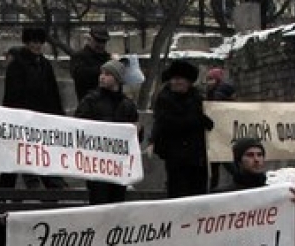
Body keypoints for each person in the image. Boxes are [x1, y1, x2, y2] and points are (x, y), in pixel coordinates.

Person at [0, 27, 67, 190]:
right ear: (27, 43)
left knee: (32, 156)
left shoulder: (44, 65)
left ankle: (42, 186)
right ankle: (12, 190)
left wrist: (58, 116)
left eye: (39, 42)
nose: (37, 46)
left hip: (41, 119)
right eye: (33, 42)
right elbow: (12, 95)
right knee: (20, 157)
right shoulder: (17, 65)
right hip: (24, 119)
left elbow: (53, 93)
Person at [74, 59, 140, 205]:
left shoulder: (127, 105)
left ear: (117, 79)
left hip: (119, 167)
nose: (102, 77)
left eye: (108, 74)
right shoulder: (90, 101)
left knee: (117, 204)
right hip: (96, 165)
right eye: (101, 73)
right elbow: (78, 126)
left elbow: (135, 137)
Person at [150, 59, 213, 198]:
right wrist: (197, 121)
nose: (175, 82)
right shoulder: (165, 99)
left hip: (197, 158)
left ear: (188, 82)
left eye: (179, 79)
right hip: (176, 158)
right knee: (179, 195)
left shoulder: (197, 98)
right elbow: (168, 124)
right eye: (174, 79)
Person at [204, 67, 236, 191]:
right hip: (219, 133)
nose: (208, 82)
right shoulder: (219, 92)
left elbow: (215, 109)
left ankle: (213, 188)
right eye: (208, 79)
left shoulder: (218, 93)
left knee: (221, 161)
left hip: (219, 133)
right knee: (218, 163)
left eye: (211, 79)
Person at [69, 27, 111, 107]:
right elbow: (79, 75)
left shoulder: (107, 57)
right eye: (98, 41)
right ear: (90, 39)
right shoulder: (79, 57)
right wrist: (106, 68)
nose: (101, 45)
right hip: (89, 105)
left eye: (103, 41)